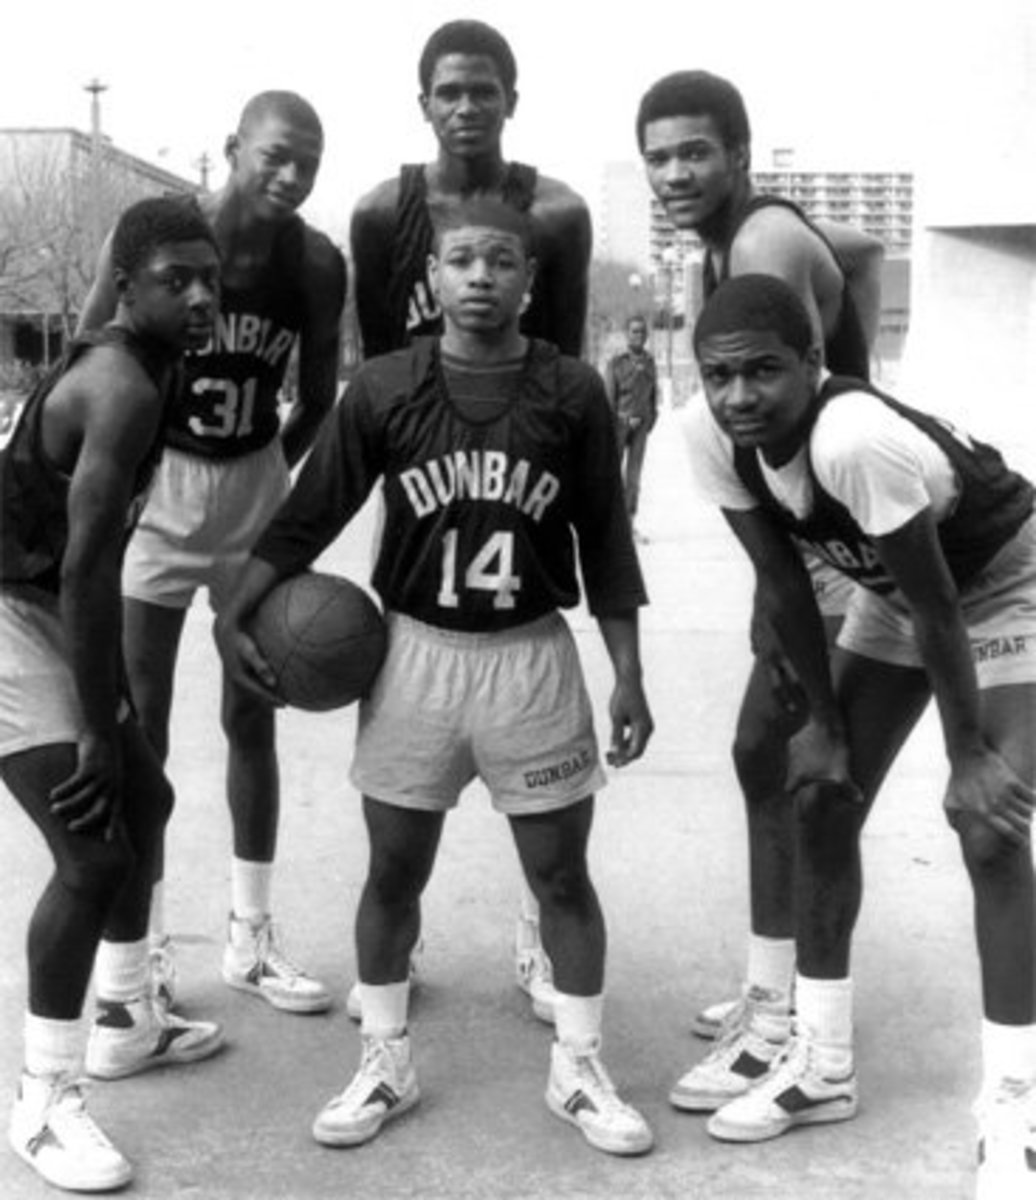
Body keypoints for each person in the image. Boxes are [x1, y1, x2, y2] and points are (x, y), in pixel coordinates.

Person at [216, 198, 655, 1158]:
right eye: (462, 259)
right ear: (434, 278)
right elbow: (309, 515)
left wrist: (628, 673)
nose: (481, 276)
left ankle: (579, 1067)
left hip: (530, 656)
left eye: (502, 260)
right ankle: (385, 1059)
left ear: (530, 279)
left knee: (562, 876)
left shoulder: (573, 391)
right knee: (393, 872)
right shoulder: (384, 387)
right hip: (414, 655)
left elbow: (607, 543)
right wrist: (232, 613)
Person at [683, 273, 1035, 1197]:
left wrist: (967, 756)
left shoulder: (851, 438)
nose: (739, 396)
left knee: (989, 827)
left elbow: (942, 605)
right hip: (892, 590)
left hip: (1006, 582)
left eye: (764, 371)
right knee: (821, 796)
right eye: (719, 376)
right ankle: (824, 1061)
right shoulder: (710, 435)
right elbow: (784, 582)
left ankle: (1016, 1103)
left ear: (813, 362)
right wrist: (825, 726)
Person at [635, 69, 887, 1097]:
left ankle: (793, 1025)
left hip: (843, 536)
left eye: (694, 152)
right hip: (812, 532)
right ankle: (772, 985)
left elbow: (787, 422)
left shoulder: (761, 244)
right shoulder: (742, 240)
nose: (674, 173)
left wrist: (777, 589)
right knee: (762, 755)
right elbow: (859, 253)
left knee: (805, 772)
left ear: (738, 155)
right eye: (658, 157)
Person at [76, 92, 347, 1016]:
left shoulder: (316, 262)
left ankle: (250, 935)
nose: (291, 175)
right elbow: (91, 351)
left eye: (308, 162)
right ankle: (144, 948)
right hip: (163, 485)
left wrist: (270, 482)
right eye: (275, 155)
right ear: (234, 148)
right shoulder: (160, 234)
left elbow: (320, 396)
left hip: (251, 481)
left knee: (253, 712)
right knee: (142, 725)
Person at [349, 18, 594, 1024]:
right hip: (426, 469)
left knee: (537, 766)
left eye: (482, 89)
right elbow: (379, 364)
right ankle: (393, 964)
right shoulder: (382, 211)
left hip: (520, 464)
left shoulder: (558, 211)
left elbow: (563, 355)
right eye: (448, 90)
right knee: (414, 736)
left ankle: (539, 939)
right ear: (423, 103)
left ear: (511, 100)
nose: (465, 106)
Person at [0, 196, 227, 1193]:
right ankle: (42, 1101)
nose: (201, 296)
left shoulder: (135, 342)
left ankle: (127, 1016)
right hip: (13, 614)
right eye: (177, 279)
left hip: (46, 600)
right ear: (130, 288)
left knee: (150, 801)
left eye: (211, 278)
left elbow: (82, 572)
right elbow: (91, 568)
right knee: (93, 854)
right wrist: (100, 723)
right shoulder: (121, 385)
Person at [605, 315, 658, 541]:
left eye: (643, 332)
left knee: (633, 479)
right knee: (612, 476)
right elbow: (609, 398)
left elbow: (653, 394)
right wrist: (616, 423)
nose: (639, 336)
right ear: (627, 334)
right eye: (635, 331)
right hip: (619, 425)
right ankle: (610, 526)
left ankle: (629, 525)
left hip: (641, 427)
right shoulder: (616, 363)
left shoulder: (650, 362)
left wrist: (650, 418)